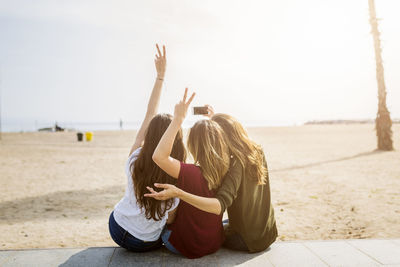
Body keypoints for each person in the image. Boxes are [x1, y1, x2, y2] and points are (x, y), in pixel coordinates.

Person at [145, 109, 278, 253]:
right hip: (268, 232)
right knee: (217, 225)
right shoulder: (256, 150)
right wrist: (212, 119)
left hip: (247, 240)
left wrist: (179, 193)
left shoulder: (235, 165)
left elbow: (219, 206)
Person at [108, 44, 186, 252]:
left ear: (149, 136)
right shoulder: (176, 177)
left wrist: (160, 77)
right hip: (144, 242)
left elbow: (149, 114)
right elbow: (170, 221)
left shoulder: (134, 158)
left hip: (117, 229)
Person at [151, 89, 231, 258]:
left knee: (161, 228)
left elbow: (158, 156)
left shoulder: (188, 171)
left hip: (185, 246)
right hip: (213, 243)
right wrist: (212, 122)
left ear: (193, 144)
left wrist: (178, 120)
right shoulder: (227, 169)